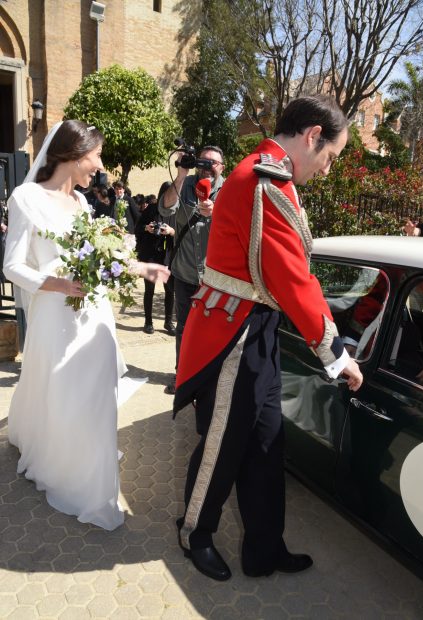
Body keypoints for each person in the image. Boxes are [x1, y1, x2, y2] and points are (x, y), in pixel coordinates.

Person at [173, 95, 363, 581]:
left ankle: (263, 546)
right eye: (330, 157)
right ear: (312, 136)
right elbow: (293, 277)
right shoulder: (265, 180)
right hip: (234, 332)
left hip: (255, 326)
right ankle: (194, 532)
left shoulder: (272, 174)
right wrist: (337, 356)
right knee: (223, 444)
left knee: (265, 443)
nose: (326, 169)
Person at [3, 120, 169, 530]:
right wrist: (59, 283)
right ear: (73, 154)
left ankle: (94, 472)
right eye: (95, 156)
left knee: (96, 393)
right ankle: (67, 468)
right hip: (56, 317)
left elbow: (100, 256)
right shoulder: (26, 198)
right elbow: (12, 266)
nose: (99, 165)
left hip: (94, 316)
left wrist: (142, 267)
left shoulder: (81, 202)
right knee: (63, 393)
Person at [158, 146, 225, 394]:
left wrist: (217, 213)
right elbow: (165, 210)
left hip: (215, 278)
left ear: (222, 166)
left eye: (213, 163)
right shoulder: (184, 185)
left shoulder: (228, 189)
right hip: (185, 273)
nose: (207, 167)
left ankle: (209, 377)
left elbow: (241, 225)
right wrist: (181, 174)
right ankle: (182, 376)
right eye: (203, 161)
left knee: (214, 331)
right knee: (184, 328)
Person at [135, 192, 176, 335]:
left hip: (168, 255)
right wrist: (147, 228)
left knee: (169, 290)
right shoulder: (151, 209)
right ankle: (148, 322)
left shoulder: (177, 210)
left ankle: (168, 322)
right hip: (151, 254)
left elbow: (184, 232)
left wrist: (171, 231)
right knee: (149, 290)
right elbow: (137, 228)